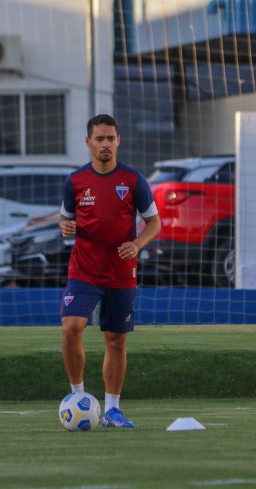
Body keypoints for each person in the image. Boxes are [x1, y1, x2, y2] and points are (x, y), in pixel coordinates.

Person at [59, 114, 161, 428]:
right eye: (100, 138)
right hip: (84, 270)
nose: (106, 144)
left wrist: (138, 243)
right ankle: (78, 397)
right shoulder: (75, 181)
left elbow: (154, 223)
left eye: (111, 138)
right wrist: (65, 227)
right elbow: (65, 219)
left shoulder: (133, 180)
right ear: (88, 142)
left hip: (121, 272)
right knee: (70, 328)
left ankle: (113, 409)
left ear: (119, 141)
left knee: (115, 339)